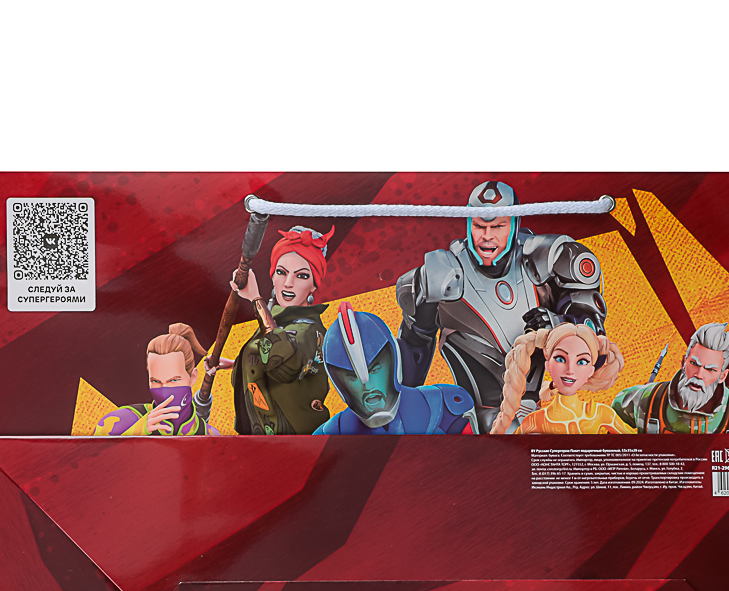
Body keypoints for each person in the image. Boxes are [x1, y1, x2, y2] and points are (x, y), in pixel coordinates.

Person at [395, 179, 611, 433]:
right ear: (468, 224)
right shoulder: (439, 275)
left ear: (514, 224)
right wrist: (401, 411)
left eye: (497, 226)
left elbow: (595, 343)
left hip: (536, 412)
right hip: (472, 418)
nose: (487, 236)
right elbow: (414, 347)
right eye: (479, 226)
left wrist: (558, 326)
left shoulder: (549, 260)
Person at [229, 225, 333, 435]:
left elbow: (281, 361)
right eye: (281, 272)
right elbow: (264, 357)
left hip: (294, 439)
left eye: (301, 276)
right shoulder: (277, 318)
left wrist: (255, 299)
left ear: (314, 285)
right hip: (259, 438)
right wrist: (237, 363)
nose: (288, 283)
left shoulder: (309, 330)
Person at [314, 302, 474, 435]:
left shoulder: (446, 408)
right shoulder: (329, 435)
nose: (367, 386)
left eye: (375, 370)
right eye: (352, 377)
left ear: (394, 362)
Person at [612, 322, 729, 434]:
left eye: (710, 369)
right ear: (683, 362)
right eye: (694, 364)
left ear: (722, 376)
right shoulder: (641, 400)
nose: (699, 375)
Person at [490, 324, 628, 435]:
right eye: (561, 359)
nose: (570, 370)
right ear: (548, 365)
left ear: (591, 371)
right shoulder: (535, 421)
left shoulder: (601, 413)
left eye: (581, 361)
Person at [93, 324, 225, 436]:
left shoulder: (210, 435)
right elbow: (91, 456)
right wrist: (137, 432)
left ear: (193, 377)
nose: (164, 390)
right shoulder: (118, 422)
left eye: (174, 380)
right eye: (156, 381)